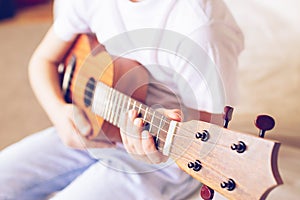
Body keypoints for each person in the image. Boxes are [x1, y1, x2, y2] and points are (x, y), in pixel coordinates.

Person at [0, 0, 244, 199]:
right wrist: (58, 113)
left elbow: (208, 138)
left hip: (161, 159)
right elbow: (43, 61)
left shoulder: (200, 27)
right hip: (89, 123)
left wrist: (156, 152)